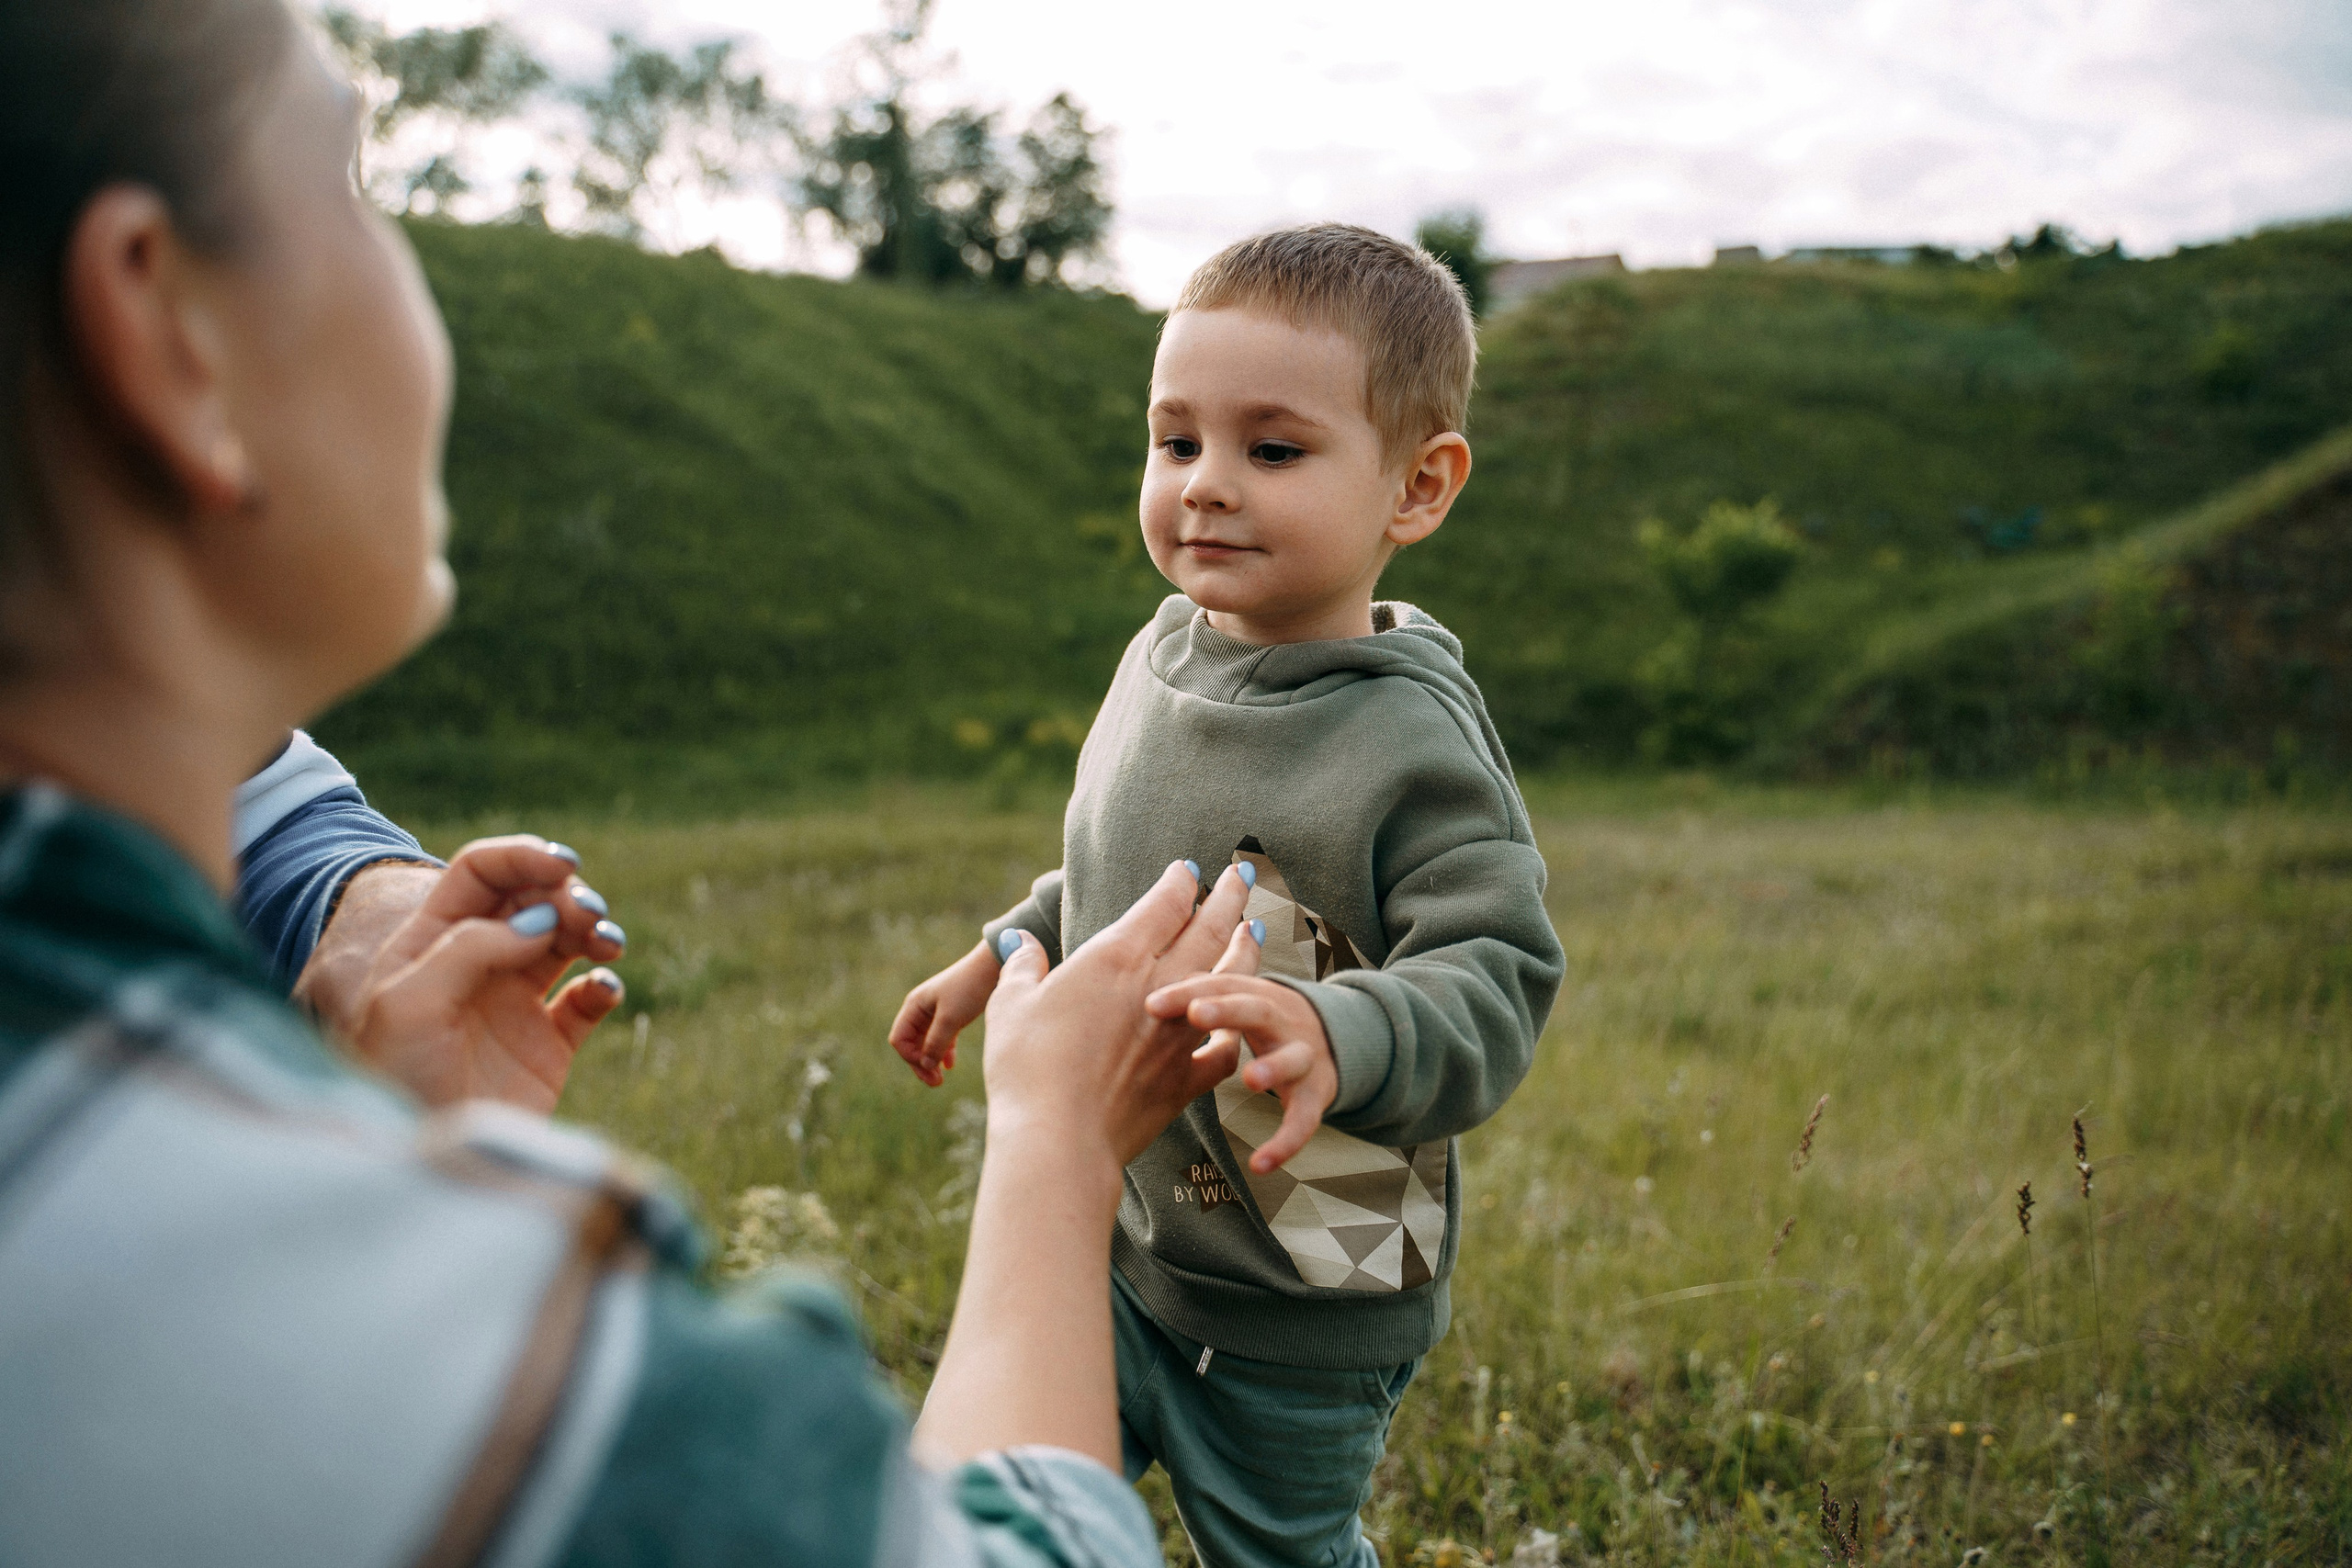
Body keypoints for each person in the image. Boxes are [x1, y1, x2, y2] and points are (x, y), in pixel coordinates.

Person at [0, 3, 1262, 1563]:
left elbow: (237, 782)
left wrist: (345, 921)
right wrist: (1057, 1142)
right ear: (167, 330)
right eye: (356, 187)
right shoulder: (420, 1362)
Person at [888, 227, 1566, 1566]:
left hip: (1299, 1291)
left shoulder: (1413, 743)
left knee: (1280, 1551)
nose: (1205, 487)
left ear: (1415, 489)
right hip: (1120, 1234)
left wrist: (1342, 1029)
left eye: (1271, 450)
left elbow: (1499, 975)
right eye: (1174, 441)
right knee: (997, 1501)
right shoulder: (1163, 651)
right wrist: (1012, 949)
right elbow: (1124, 872)